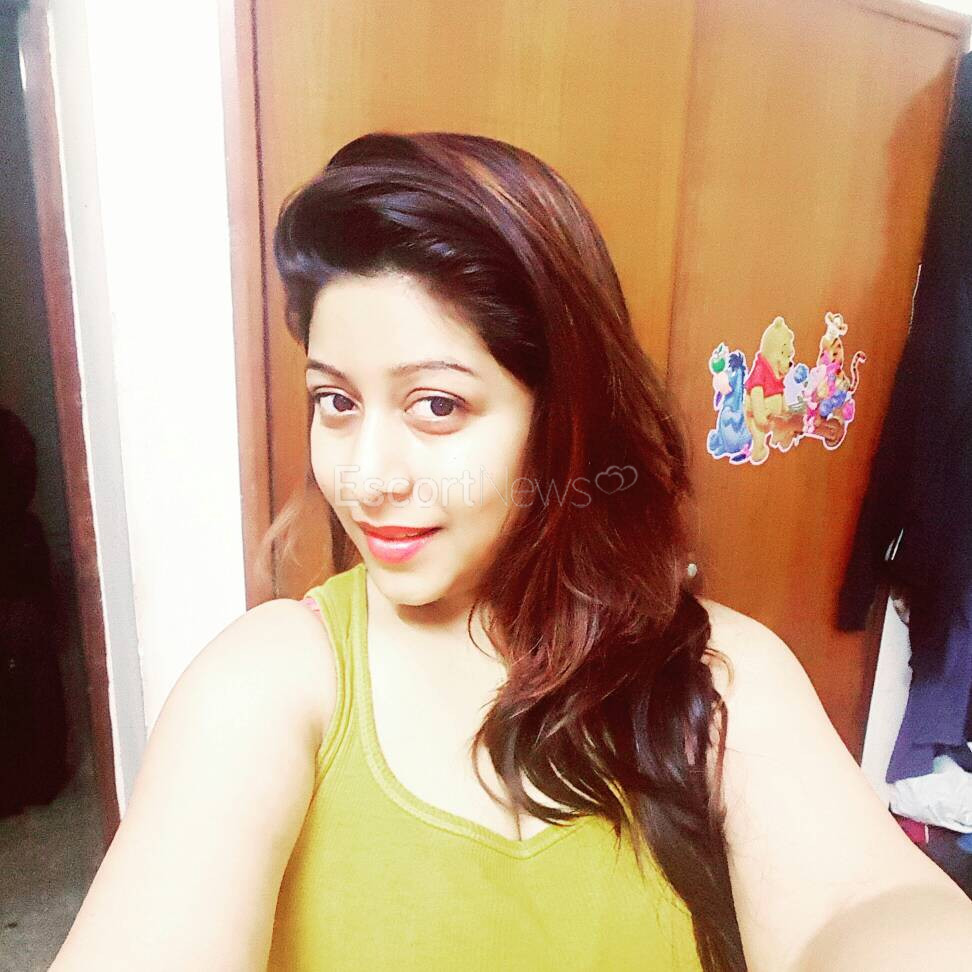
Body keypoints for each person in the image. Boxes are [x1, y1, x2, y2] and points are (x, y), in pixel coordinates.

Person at [50, 132, 972, 972]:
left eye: (436, 405)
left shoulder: (720, 676)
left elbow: (859, 906)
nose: (365, 476)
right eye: (336, 401)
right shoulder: (269, 682)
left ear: (562, 419)